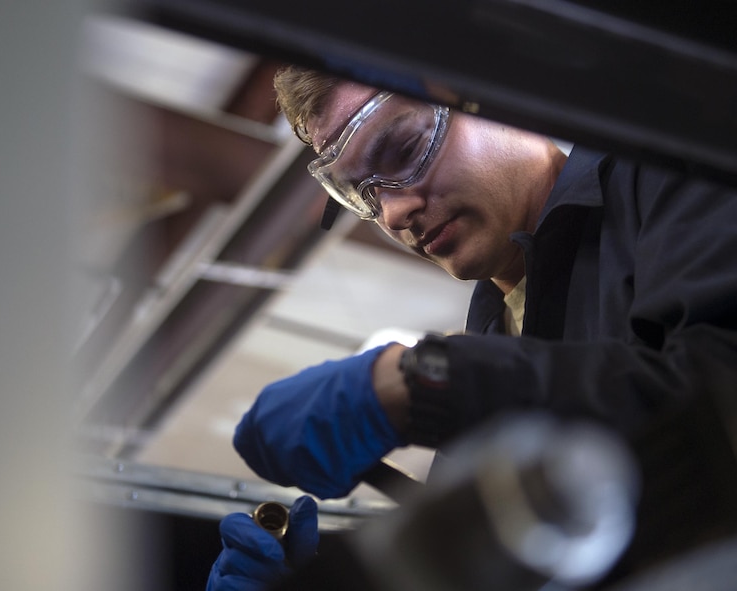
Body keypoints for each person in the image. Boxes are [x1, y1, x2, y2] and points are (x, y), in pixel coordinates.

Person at [205, 64, 737, 590]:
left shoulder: (671, 167)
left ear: (497, 95)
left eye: (404, 150)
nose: (392, 213)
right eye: (362, 194)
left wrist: (422, 383)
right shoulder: (491, 343)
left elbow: (720, 396)